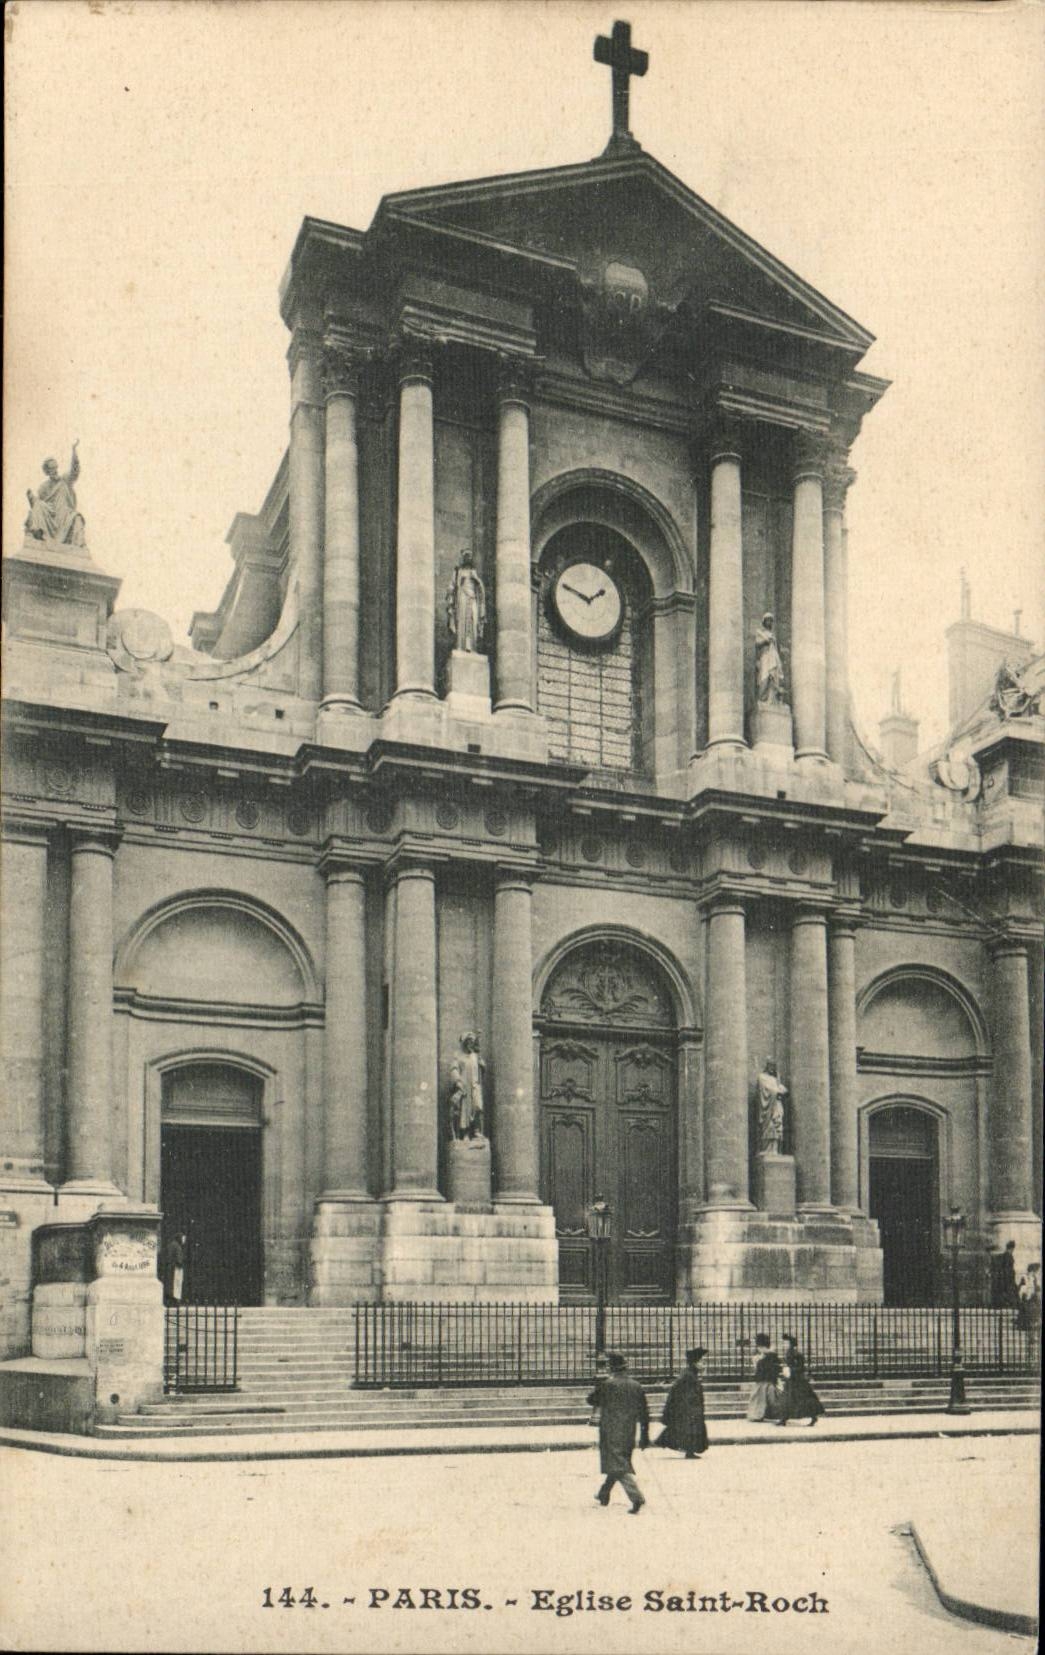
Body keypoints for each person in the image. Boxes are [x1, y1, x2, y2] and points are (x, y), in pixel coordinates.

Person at [589, 1351, 650, 1513]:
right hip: (629, 1431)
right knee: (618, 1462)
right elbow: (644, 1413)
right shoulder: (636, 1386)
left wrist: (599, 1385)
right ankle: (604, 1493)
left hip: (610, 1430)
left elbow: (592, 1400)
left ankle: (636, 1497)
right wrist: (645, 1435)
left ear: (612, 1368)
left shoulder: (608, 1385)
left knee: (618, 1465)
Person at [25, 443, 86, 546]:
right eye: (51, 469)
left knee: (77, 519)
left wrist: (74, 451)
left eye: (55, 467)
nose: (55, 470)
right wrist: (31, 498)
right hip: (49, 515)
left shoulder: (65, 480)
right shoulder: (43, 488)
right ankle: (38, 532)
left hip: (65, 515)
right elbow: (38, 506)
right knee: (39, 505)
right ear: (47, 471)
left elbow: (75, 471)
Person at [655, 1347, 709, 1459]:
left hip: (691, 1408)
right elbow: (679, 1390)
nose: (704, 1364)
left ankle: (690, 1451)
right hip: (689, 1408)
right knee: (689, 1430)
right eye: (701, 1361)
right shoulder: (688, 1375)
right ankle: (689, 1451)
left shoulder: (691, 1373)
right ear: (695, 1362)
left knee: (688, 1429)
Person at [776, 1333, 825, 1427]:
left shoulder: (795, 1354)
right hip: (793, 1380)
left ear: (791, 1344)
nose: (784, 1345)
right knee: (789, 1399)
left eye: (786, 1343)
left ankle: (785, 1419)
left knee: (796, 1399)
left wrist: (790, 1371)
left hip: (797, 1380)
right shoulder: (790, 1352)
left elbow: (800, 1367)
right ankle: (784, 1419)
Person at [746, 1332, 783, 1422]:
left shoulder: (763, 1357)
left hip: (764, 1381)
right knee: (768, 1398)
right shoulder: (770, 1355)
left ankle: (758, 1415)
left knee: (761, 1398)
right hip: (768, 1381)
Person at [990, 1239, 1019, 1309]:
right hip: (1007, 1278)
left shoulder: (1004, 1256)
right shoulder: (1008, 1256)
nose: (1012, 1251)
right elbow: (1007, 1268)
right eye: (1012, 1249)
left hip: (1005, 1278)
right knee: (1009, 1292)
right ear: (1011, 1248)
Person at [164, 1232, 187, 1305]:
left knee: (170, 1284)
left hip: (170, 1267)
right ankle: (175, 1301)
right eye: (183, 1239)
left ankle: (170, 1300)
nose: (184, 1241)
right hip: (175, 1268)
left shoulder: (172, 1245)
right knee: (176, 1284)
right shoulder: (177, 1246)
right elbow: (178, 1259)